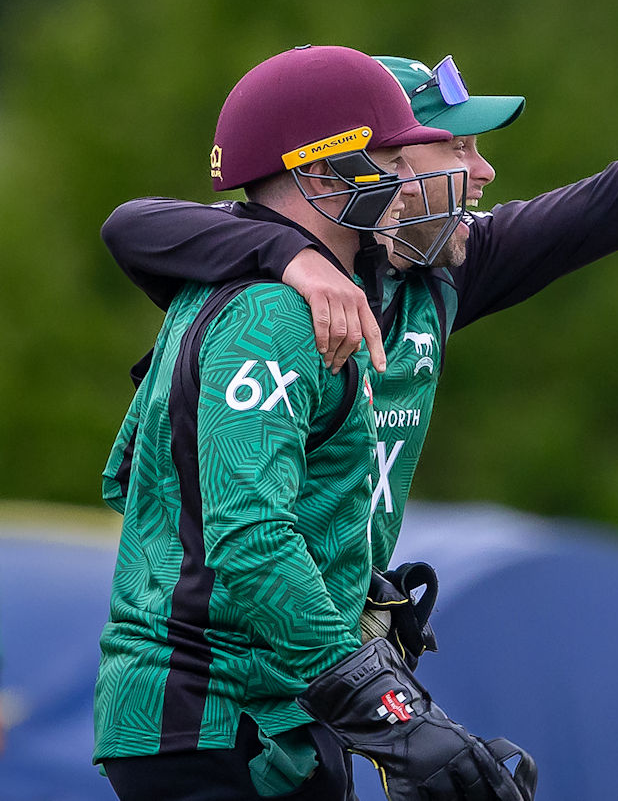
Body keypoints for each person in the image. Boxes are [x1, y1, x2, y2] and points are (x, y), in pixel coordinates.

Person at [99, 0, 618, 595]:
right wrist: (292, 254)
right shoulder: (263, 265)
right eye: (456, 148)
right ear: (379, 161)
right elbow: (133, 223)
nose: (484, 170)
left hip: (316, 650)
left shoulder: (447, 268)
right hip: (217, 655)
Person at [94, 45, 534, 801]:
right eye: (391, 159)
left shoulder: (278, 291)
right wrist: (391, 712)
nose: (407, 184)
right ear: (324, 174)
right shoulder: (272, 311)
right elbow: (250, 537)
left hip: (254, 715)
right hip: (212, 717)